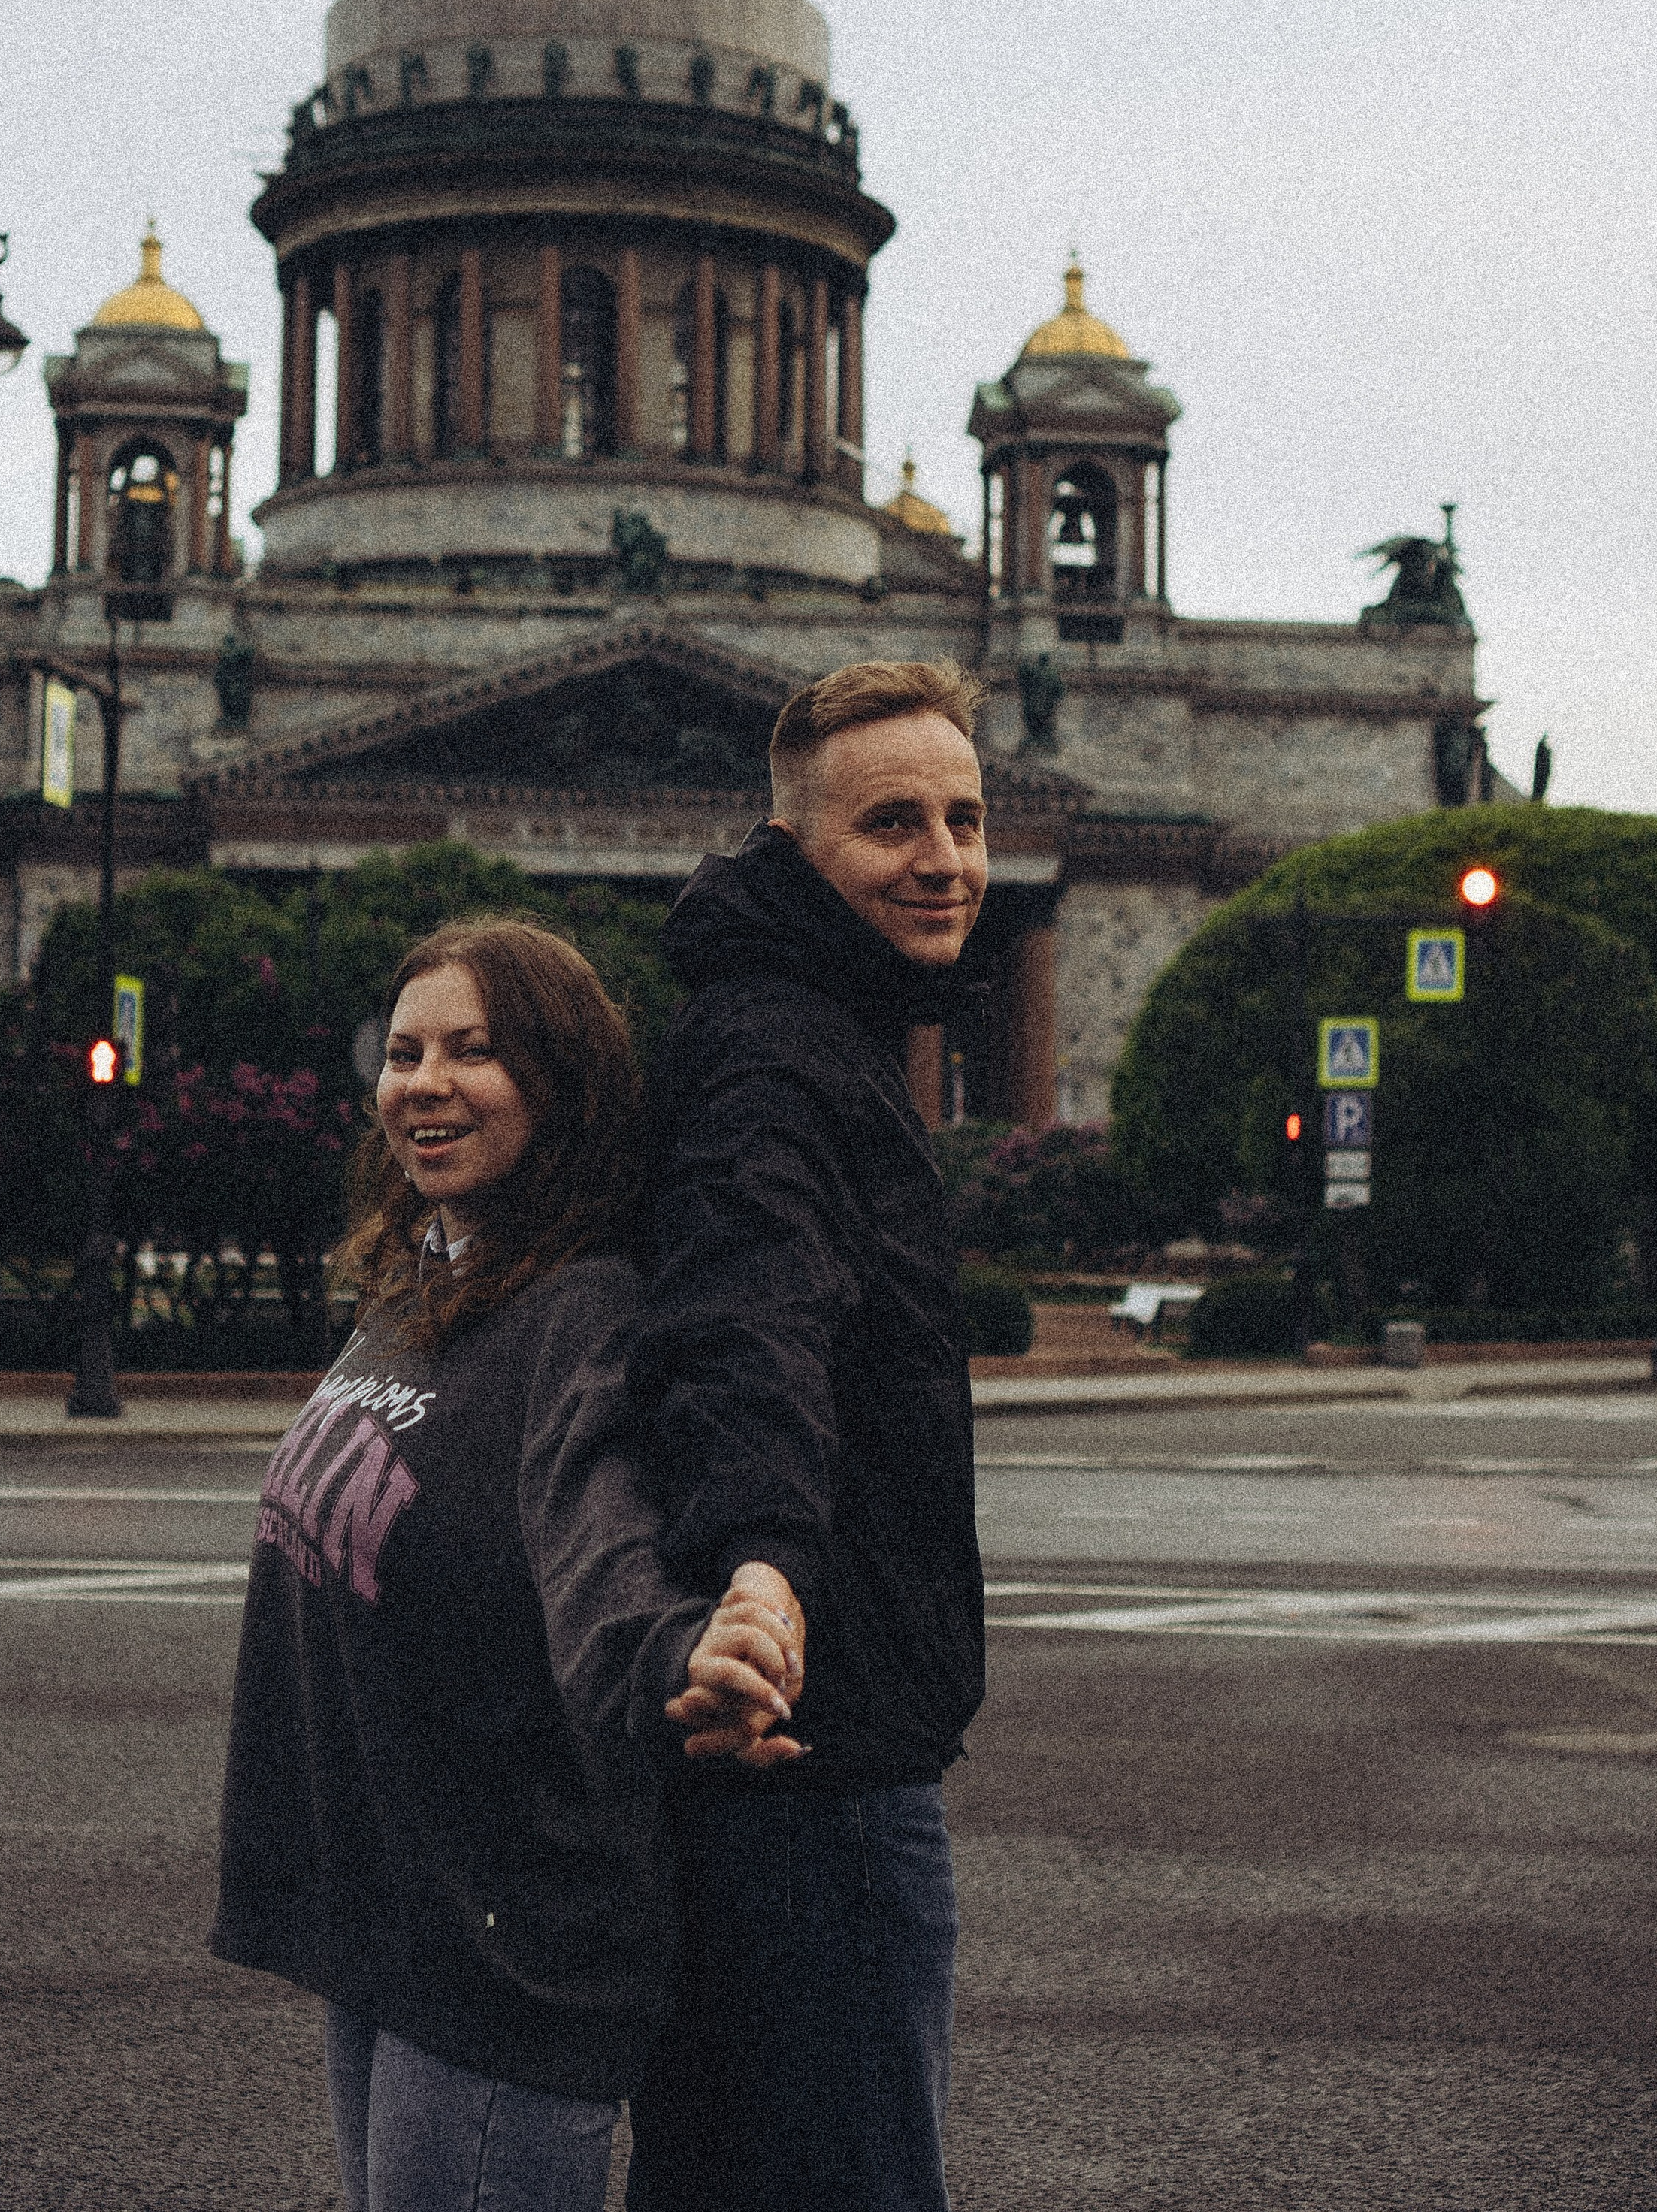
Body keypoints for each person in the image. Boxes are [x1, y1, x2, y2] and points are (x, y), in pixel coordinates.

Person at [210, 917, 805, 2212]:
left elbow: (600, 1533)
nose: (425, 1085)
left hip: (512, 1938)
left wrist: (681, 1657)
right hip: (404, 1910)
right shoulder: (419, 1286)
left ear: (561, 1083)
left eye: (474, 1051)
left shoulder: (583, 1310)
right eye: (404, 1053)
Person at [622, 660, 990, 2212]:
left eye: (965, 818)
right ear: (794, 846)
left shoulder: (806, 1025)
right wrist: (761, 1565)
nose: (945, 858)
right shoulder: (781, 1055)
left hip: (797, 1737)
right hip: (812, 1752)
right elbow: (749, 1312)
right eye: (893, 823)